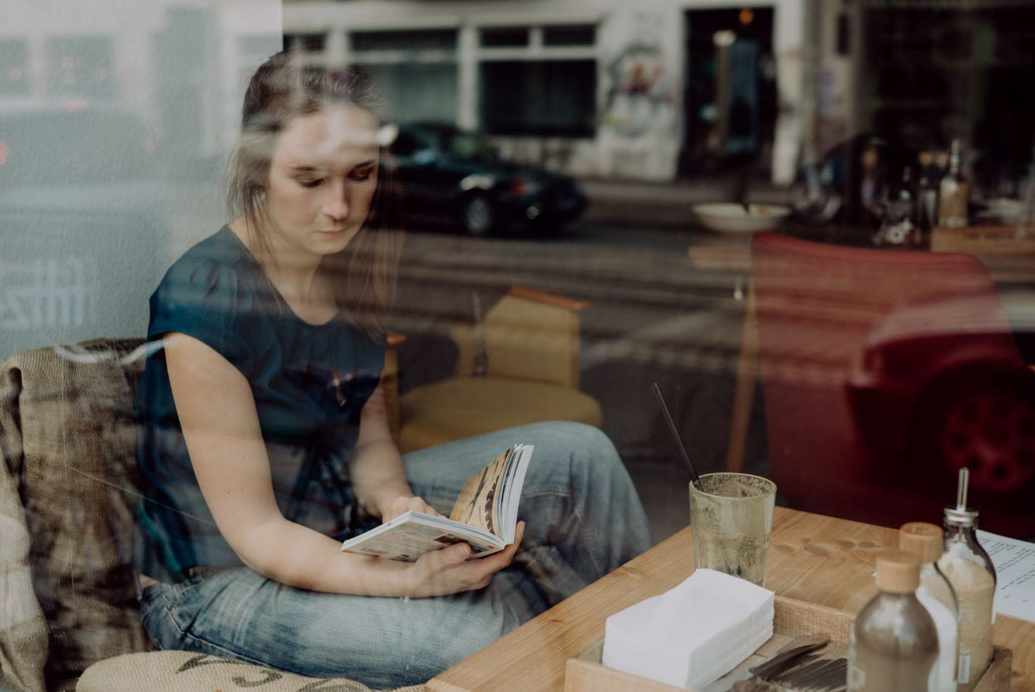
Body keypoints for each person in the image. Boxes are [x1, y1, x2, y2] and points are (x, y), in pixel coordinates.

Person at [133, 51, 652, 688]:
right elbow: (259, 534)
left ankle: (644, 653)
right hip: (214, 580)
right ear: (258, 168)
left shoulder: (350, 267)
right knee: (485, 633)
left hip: (336, 512)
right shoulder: (204, 298)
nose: (341, 207)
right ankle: (579, 656)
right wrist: (400, 579)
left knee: (583, 457)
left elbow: (368, 431)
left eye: (360, 174)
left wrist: (397, 503)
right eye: (309, 179)